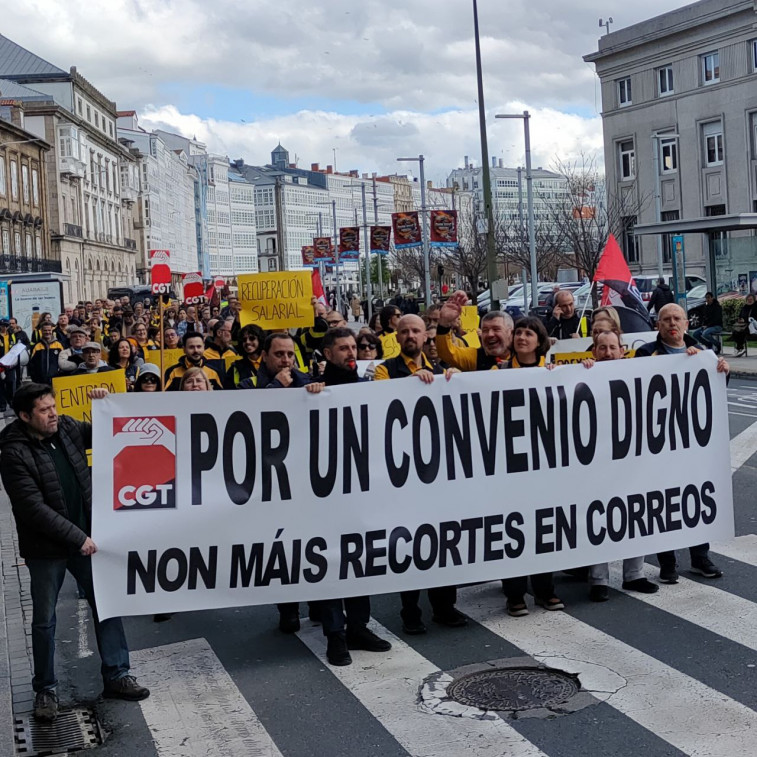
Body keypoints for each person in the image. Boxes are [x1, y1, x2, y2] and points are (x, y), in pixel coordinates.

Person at [0, 383, 149, 722]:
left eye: (53, 406)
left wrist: (105, 404)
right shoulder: (13, 452)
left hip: (87, 541)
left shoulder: (67, 427)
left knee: (107, 607)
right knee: (44, 620)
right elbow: (32, 508)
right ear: (24, 416)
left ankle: (116, 675)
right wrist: (77, 536)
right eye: (44, 410)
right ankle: (46, 689)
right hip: (48, 550)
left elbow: (111, 432)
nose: (53, 413)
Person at [373, 315, 465, 634]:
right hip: (405, 474)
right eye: (404, 332)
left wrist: (450, 381)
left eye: (415, 330)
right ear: (396, 338)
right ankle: (410, 610)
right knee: (408, 543)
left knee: (443, 540)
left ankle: (444, 606)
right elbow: (382, 401)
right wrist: (416, 384)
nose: (410, 335)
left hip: (437, 473)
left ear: (426, 336)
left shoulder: (441, 372)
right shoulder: (386, 370)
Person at [311, 328, 392, 665]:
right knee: (331, 561)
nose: (350, 352)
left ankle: (358, 625)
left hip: (359, 487)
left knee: (359, 558)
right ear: (327, 353)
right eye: (343, 348)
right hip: (324, 492)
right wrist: (308, 392)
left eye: (353, 347)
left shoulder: (364, 387)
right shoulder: (311, 388)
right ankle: (335, 635)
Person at [635, 302, 729, 582]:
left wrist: (722, 369)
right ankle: (667, 562)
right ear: (658, 325)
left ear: (686, 323)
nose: (672, 323)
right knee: (663, 501)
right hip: (659, 444)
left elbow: (715, 394)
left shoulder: (703, 353)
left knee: (695, 499)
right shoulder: (644, 354)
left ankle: (700, 557)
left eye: (677, 318)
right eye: (666, 319)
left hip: (692, 445)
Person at [238, 332, 324, 633]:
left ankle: (316, 603)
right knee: (281, 549)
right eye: (279, 355)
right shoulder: (250, 385)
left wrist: (315, 389)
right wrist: (276, 389)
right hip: (270, 481)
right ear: (265, 356)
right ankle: (287, 607)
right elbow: (243, 417)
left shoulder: (305, 380)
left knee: (312, 544)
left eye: (290, 354)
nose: (286, 360)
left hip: (304, 479)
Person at [581, 330, 660, 601]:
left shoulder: (636, 372)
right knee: (598, 517)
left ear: (622, 350)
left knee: (635, 513)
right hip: (596, 461)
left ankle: (634, 574)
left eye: (612, 347)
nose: (607, 352)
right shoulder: (583, 375)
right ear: (594, 351)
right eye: (601, 348)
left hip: (632, 459)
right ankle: (599, 579)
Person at [498, 316, 564, 615]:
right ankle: (514, 594)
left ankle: (544, 590)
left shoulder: (551, 373)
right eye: (519, 332)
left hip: (543, 466)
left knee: (543, 528)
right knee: (511, 528)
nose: (523, 337)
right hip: (508, 466)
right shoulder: (495, 372)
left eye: (529, 333)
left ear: (540, 341)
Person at [436, 291, 513, 371]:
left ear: (510, 333)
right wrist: (444, 322)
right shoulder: (476, 357)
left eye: (496, 329)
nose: (490, 334)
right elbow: (447, 353)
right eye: (485, 330)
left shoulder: (522, 354)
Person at [226, 324, 264, 389]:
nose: (247, 342)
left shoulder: (270, 364)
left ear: (260, 340)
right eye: (244, 339)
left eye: (252, 338)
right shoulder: (234, 368)